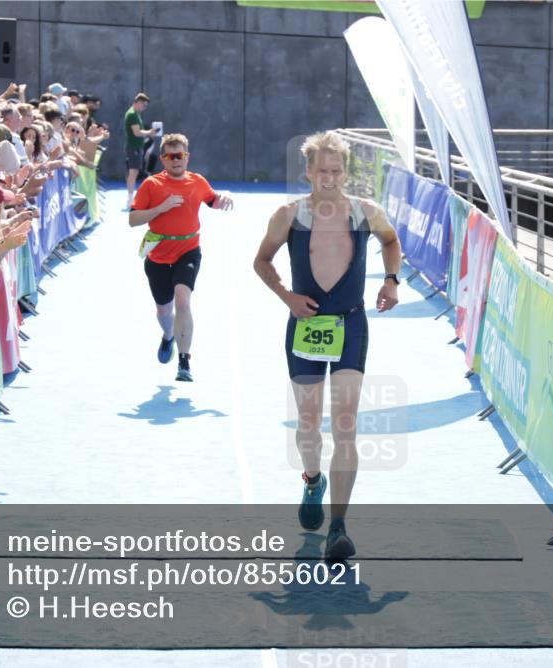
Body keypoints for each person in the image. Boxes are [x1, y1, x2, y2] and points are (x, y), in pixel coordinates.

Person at [253, 131, 401, 561]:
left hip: (351, 324)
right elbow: (261, 260)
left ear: (346, 171)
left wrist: (391, 280)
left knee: (346, 423)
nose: (331, 178)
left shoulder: (367, 212)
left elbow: (391, 242)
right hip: (305, 327)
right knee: (308, 422)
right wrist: (287, 297)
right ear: (309, 172)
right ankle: (313, 479)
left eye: (337, 170)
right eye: (323, 171)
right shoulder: (289, 215)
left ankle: (339, 525)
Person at [128, 133, 233, 382]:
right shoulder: (152, 184)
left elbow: (212, 200)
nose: (176, 160)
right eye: (171, 156)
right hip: (158, 255)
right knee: (164, 312)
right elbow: (133, 219)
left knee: (183, 301)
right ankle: (168, 337)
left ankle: (184, 362)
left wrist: (224, 197)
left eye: (181, 155)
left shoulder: (197, 181)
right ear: (163, 159)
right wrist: (159, 209)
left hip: (188, 250)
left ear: (187, 157)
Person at [124, 93, 157, 209]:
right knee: (133, 173)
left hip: (136, 147)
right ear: (138, 102)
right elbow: (137, 132)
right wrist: (150, 132)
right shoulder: (132, 114)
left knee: (134, 172)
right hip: (134, 147)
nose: (144, 108)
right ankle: (130, 199)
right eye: (144, 105)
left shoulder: (135, 114)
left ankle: (130, 197)